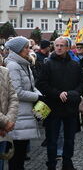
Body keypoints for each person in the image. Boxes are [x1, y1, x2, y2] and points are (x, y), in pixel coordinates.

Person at [37, 37, 83, 170]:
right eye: (56, 45)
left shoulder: (75, 65)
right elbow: (41, 84)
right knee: (52, 139)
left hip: (70, 107)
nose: (59, 48)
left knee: (70, 139)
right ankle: (51, 164)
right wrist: (57, 93)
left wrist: (72, 93)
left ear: (68, 48)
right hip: (53, 107)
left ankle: (67, 162)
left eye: (62, 45)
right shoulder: (48, 64)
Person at [4, 36, 42, 170]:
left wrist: (39, 95)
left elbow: (31, 86)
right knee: (16, 153)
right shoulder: (13, 66)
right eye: (26, 47)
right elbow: (17, 92)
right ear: (17, 49)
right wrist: (37, 97)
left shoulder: (23, 64)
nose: (28, 49)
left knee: (21, 152)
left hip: (25, 113)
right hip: (18, 114)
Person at [0, 55, 19, 170]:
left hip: (3, 131)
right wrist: (5, 122)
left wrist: (9, 121)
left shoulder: (4, 71)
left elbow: (13, 97)